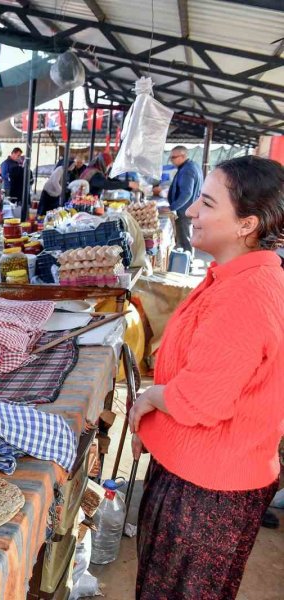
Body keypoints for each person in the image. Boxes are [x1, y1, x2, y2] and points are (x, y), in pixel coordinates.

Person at [128, 156, 284, 600]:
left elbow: (203, 400)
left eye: (207, 203)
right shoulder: (237, 276)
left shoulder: (245, 295)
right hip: (200, 476)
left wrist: (150, 399)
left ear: (246, 224)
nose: (191, 211)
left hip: (207, 493)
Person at [167, 146, 203, 253]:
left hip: (185, 210)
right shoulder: (192, 166)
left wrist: (172, 207)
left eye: (174, 157)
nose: (171, 160)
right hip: (189, 208)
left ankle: (187, 261)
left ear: (183, 156)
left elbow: (187, 193)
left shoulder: (187, 169)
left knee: (185, 238)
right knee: (187, 235)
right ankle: (187, 258)